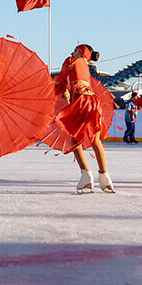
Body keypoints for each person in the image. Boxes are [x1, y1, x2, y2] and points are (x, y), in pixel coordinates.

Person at [54, 44, 116, 193]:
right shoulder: (86, 66)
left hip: (81, 102)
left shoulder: (71, 60)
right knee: (95, 141)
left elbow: (61, 80)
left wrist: (61, 91)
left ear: (81, 52)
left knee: (74, 140)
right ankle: (105, 177)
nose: (72, 52)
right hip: (93, 102)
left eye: (75, 50)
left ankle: (86, 175)